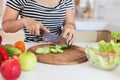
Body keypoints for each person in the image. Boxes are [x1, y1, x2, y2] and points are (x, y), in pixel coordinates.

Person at [2, 0, 76, 44]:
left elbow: (70, 23)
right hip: (31, 49)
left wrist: (70, 26)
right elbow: (6, 26)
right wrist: (24, 21)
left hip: (59, 46)